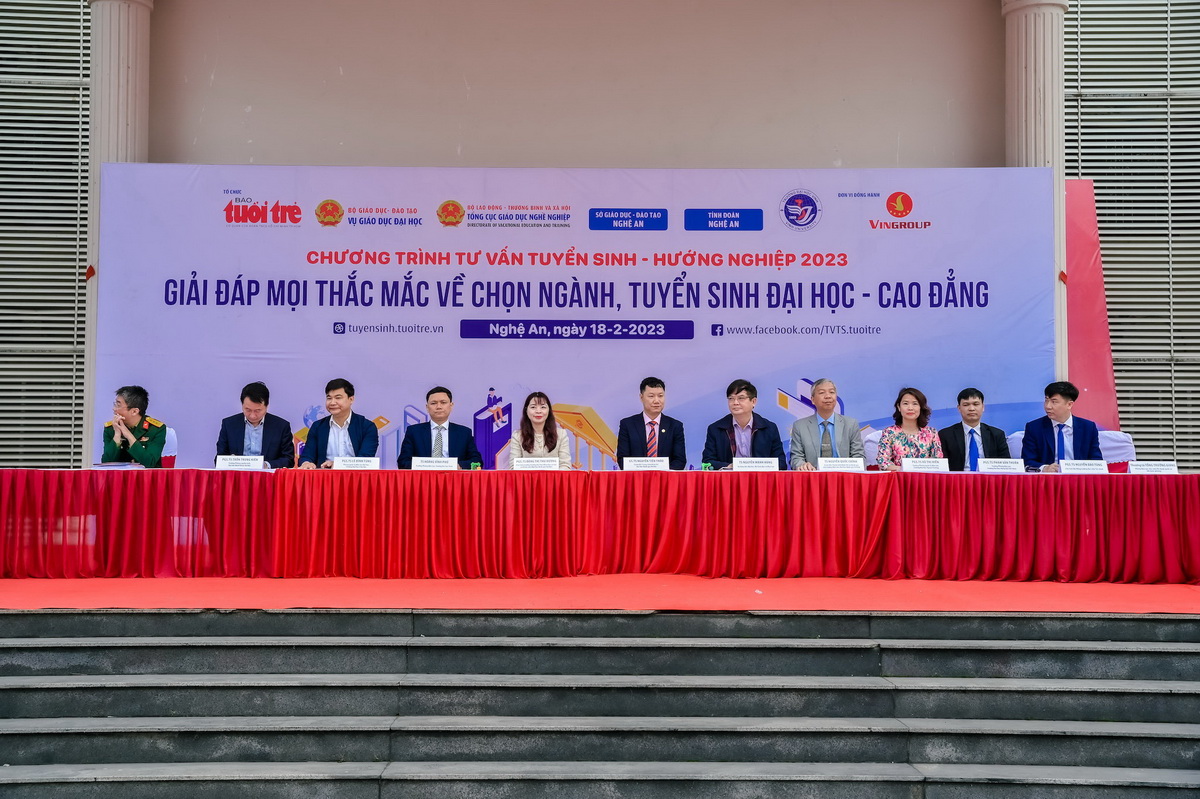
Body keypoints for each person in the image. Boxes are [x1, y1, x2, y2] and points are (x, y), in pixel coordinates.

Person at [701, 379, 787, 470]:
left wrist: (757, 466)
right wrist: (730, 467)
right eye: (731, 398)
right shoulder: (716, 429)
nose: (735, 403)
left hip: (760, 477)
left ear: (753, 401)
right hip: (729, 477)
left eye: (741, 398)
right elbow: (707, 462)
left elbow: (781, 463)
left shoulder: (769, 428)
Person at [1021, 380, 1103, 472]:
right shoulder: (1034, 428)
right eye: (1046, 400)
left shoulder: (1088, 428)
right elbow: (1027, 461)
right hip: (1048, 478)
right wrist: (1044, 468)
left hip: (1078, 477)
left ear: (1069, 404)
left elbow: (1096, 460)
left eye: (1054, 402)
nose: (1048, 406)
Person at [298, 378, 379, 469]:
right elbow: (307, 455)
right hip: (325, 476)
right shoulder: (318, 427)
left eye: (338, 398)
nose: (332, 403)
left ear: (351, 399)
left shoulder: (367, 427)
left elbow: (365, 459)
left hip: (355, 476)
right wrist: (306, 463)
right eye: (329, 398)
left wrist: (338, 464)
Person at [397, 386, 483, 469]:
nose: (438, 407)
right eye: (433, 403)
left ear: (451, 405)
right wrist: (424, 465)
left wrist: (457, 466)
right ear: (427, 407)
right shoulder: (414, 432)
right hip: (424, 477)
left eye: (443, 402)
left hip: (454, 477)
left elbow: (477, 462)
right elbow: (402, 462)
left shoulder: (464, 433)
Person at [789, 378, 865, 470]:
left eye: (832, 392)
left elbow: (859, 456)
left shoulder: (851, 424)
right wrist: (802, 465)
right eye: (822, 393)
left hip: (843, 475)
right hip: (813, 476)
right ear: (813, 399)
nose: (828, 396)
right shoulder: (800, 426)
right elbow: (796, 457)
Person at [215, 381, 295, 469]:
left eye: (258, 410)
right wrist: (230, 461)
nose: (252, 415)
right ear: (242, 405)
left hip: (268, 476)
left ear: (267, 406)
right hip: (238, 475)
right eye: (248, 410)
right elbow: (219, 458)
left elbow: (288, 459)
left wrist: (266, 465)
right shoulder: (229, 424)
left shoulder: (281, 426)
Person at [616, 376, 687, 470]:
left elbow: (680, 460)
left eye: (660, 396)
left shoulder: (675, 426)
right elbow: (623, 459)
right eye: (651, 396)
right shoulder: (627, 425)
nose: (656, 401)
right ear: (641, 397)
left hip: (665, 478)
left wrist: (660, 474)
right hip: (637, 478)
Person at [938, 387, 1010, 472]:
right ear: (959, 408)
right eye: (966, 405)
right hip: (958, 479)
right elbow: (942, 467)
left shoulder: (997, 434)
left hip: (988, 478)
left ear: (983, 407)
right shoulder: (946, 435)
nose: (971, 409)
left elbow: (1006, 466)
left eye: (976, 404)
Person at [876, 387, 944, 471]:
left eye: (915, 404)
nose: (910, 408)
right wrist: (905, 469)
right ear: (899, 407)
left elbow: (938, 461)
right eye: (905, 403)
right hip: (898, 477)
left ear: (921, 407)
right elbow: (882, 462)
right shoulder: (889, 432)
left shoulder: (932, 433)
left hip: (925, 478)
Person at [101, 385, 166, 468]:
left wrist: (128, 435)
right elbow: (106, 464)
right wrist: (117, 435)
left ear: (134, 411)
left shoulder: (155, 429)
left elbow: (149, 463)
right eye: (115, 404)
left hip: (146, 476)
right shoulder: (110, 429)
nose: (114, 409)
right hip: (121, 476)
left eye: (118, 405)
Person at [508, 391, 572, 469]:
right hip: (526, 477)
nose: (538, 411)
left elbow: (565, 465)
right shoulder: (517, 436)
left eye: (543, 407)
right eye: (533, 407)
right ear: (526, 410)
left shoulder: (561, 434)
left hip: (554, 477)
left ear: (549, 410)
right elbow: (513, 467)